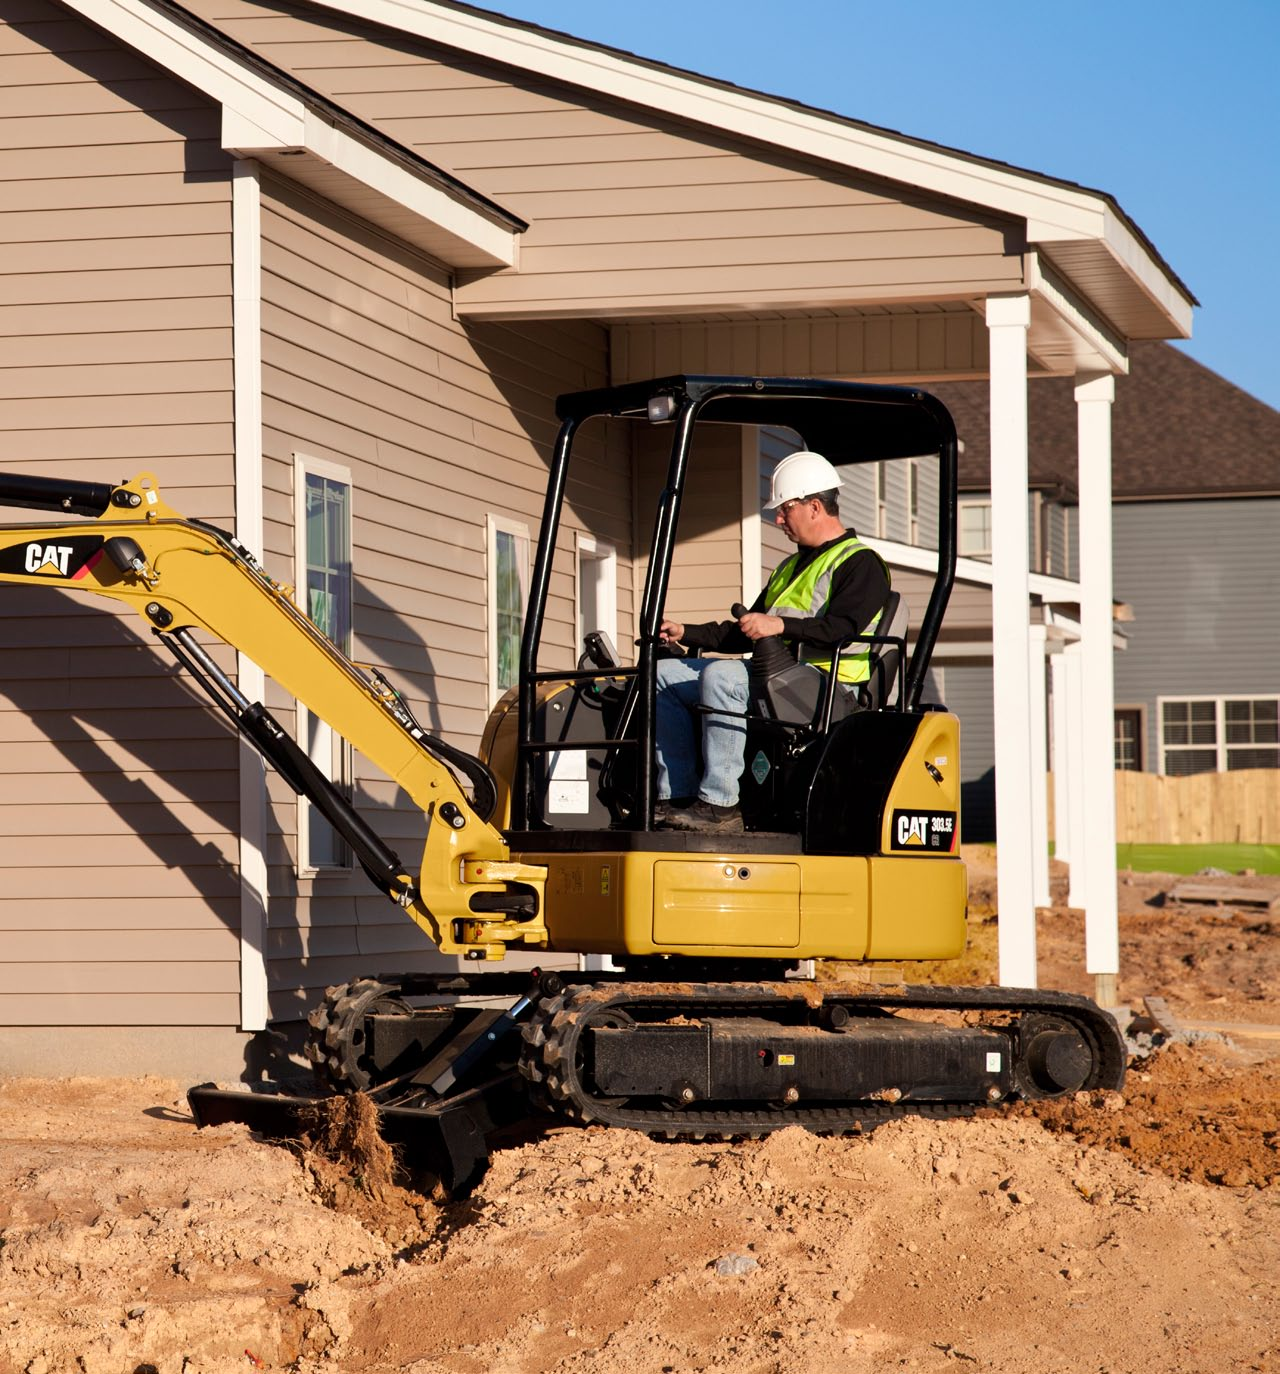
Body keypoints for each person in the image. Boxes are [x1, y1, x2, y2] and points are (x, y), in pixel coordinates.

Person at [654, 451, 890, 833]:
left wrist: (778, 625)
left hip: (827, 687)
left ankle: (720, 805)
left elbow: (841, 628)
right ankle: (678, 797)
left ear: (815, 507)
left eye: (786, 509)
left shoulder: (860, 563)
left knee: (722, 678)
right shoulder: (789, 567)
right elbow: (747, 628)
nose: (778, 519)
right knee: (661, 674)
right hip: (776, 675)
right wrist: (686, 631)